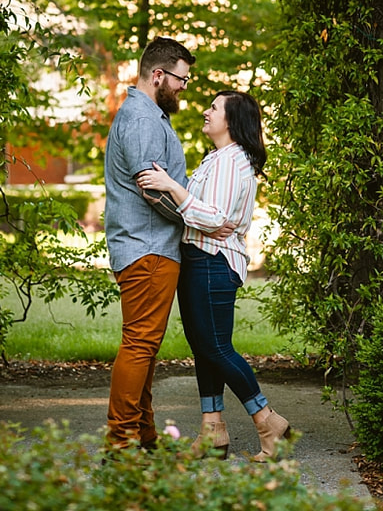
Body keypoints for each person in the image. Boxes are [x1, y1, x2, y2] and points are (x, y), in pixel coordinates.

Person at [136, 90, 291, 461]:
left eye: (214, 108)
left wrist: (173, 186)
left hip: (213, 260)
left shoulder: (231, 161)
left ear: (231, 121)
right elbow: (206, 212)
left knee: (216, 348)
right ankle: (213, 430)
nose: (206, 112)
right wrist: (179, 191)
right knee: (204, 348)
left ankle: (267, 420)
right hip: (200, 257)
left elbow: (214, 219)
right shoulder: (217, 158)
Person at [103, 36, 199, 450]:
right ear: (158, 75)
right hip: (148, 249)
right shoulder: (142, 119)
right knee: (140, 345)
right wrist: (195, 217)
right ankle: (121, 444)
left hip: (147, 249)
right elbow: (152, 188)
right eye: (181, 79)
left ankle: (143, 438)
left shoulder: (149, 115)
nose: (184, 87)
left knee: (143, 347)